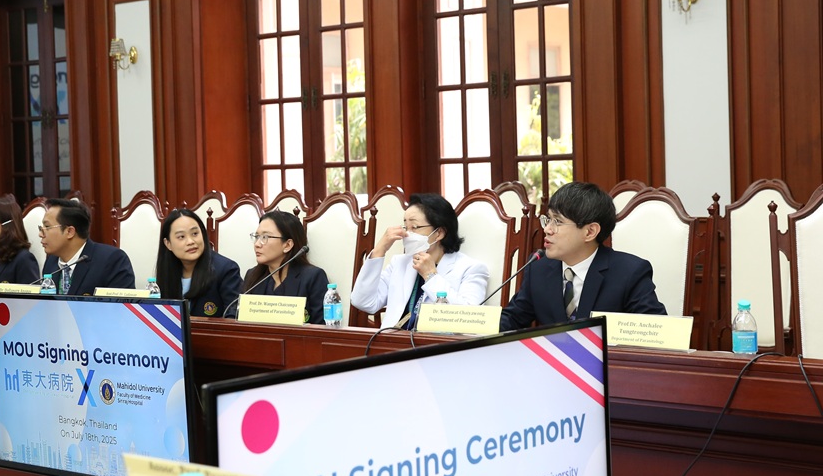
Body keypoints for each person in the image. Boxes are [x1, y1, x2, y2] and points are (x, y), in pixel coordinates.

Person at [499, 181, 667, 331]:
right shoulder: (538, 269)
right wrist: (477, 323)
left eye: (557, 221)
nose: (547, 229)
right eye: (548, 219)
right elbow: (511, 319)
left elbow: (657, 332)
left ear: (590, 232)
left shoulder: (629, 273)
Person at [351, 192, 489, 329]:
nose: (407, 234)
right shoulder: (400, 263)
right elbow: (363, 301)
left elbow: (471, 321)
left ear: (439, 233)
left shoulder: (471, 269)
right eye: (406, 227)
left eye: (415, 227)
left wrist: (431, 276)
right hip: (392, 344)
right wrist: (379, 251)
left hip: (436, 347)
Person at [241, 210, 329, 325]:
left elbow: (322, 327)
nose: (257, 244)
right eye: (257, 236)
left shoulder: (313, 277)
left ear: (287, 245)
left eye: (265, 237)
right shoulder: (253, 276)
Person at [156, 209, 242, 318]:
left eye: (195, 233)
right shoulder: (166, 271)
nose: (191, 241)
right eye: (181, 237)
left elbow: (233, 318)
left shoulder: (226, 270)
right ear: (168, 244)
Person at [39, 198, 135, 294]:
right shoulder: (51, 263)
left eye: (47, 227)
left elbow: (122, 306)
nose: (40, 234)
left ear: (69, 232)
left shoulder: (112, 260)